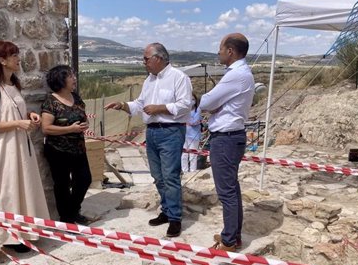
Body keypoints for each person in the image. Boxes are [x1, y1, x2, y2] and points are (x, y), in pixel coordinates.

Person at [0, 40, 50, 265]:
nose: (19, 58)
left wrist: (30, 115)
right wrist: (18, 123)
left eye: (18, 54)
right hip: (5, 148)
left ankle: (17, 237)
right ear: (1, 60)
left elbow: (13, 111)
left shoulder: (13, 84)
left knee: (20, 190)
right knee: (1, 194)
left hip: (20, 147)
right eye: (14, 55)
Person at [105, 43, 192, 237]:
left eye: (146, 59)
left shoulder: (179, 78)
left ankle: (175, 218)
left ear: (159, 58)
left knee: (170, 176)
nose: (143, 62)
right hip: (152, 132)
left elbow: (186, 105)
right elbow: (140, 104)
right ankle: (167, 211)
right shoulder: (149, 80)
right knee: (158, 176)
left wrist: (159, 108)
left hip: (171, 132)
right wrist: (121, 105)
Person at [199, 33, 255, 251]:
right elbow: (214, 104)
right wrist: (215, 106)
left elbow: (206, 101)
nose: (219, 53)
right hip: (232, 137)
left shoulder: (235, 75)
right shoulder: (242, 73)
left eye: (220, 49)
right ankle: (232, 234)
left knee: (227, 192)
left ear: (230, 51)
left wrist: (212, 105)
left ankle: (229, 240)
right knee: (232, 189)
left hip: (226, 139)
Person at [41, 65, 92, 224]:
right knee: (62, 185)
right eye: (71, 76)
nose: (74, 79)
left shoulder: (76, 97)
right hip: (58, 151)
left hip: (78, 149)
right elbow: (46, 128)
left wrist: (86, 124)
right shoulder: (51, 101)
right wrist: (70, 128)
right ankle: (67, 218)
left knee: (84, 180)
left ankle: (72, 211)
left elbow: (83, 117)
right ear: (61, 80)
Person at [181, 93, 202, 172]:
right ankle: (184, 170)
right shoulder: (184, 110)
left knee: (193, 154)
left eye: (193, 99)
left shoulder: (198, 110)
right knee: (184, 154)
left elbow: (195, 121)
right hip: (184, 134)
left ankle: (193, 170)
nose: (191, 101)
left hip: (193, 135)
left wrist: (186, 121)